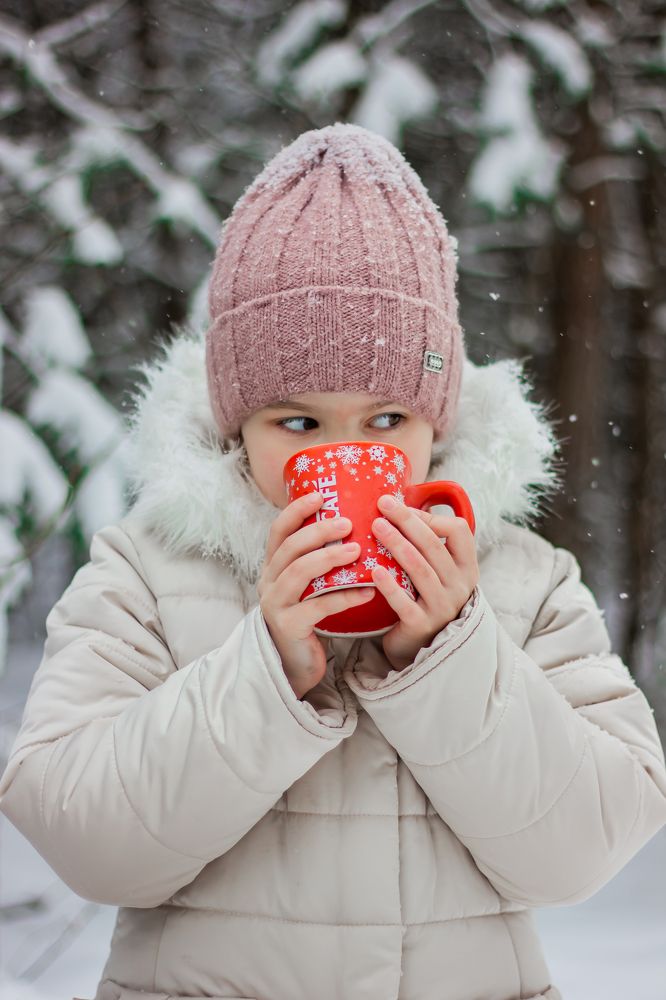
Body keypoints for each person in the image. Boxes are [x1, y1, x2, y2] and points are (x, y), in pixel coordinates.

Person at [1, 123, 665, 1000]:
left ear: (439, 419)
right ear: (236, 423)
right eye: (301, 424)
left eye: (387, 422)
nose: (349, 451)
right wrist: (261, 674)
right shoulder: (151, 573)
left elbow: (586, 847)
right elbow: (80, 833)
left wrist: (449, 657)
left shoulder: (523, 581)